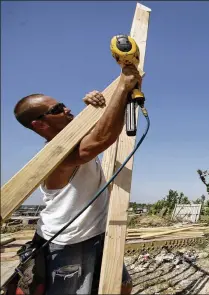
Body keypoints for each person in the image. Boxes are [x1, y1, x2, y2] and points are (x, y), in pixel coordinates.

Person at [12, 64, 142, 295]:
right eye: (58, 109)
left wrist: (99, 106)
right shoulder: (54, 156)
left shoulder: (74, 143)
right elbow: (102, 138)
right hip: (66, 242)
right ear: (40, 124)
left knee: (122, 286)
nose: (66, 108)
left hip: (98, 233)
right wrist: (122, 86)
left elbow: (99, 130)